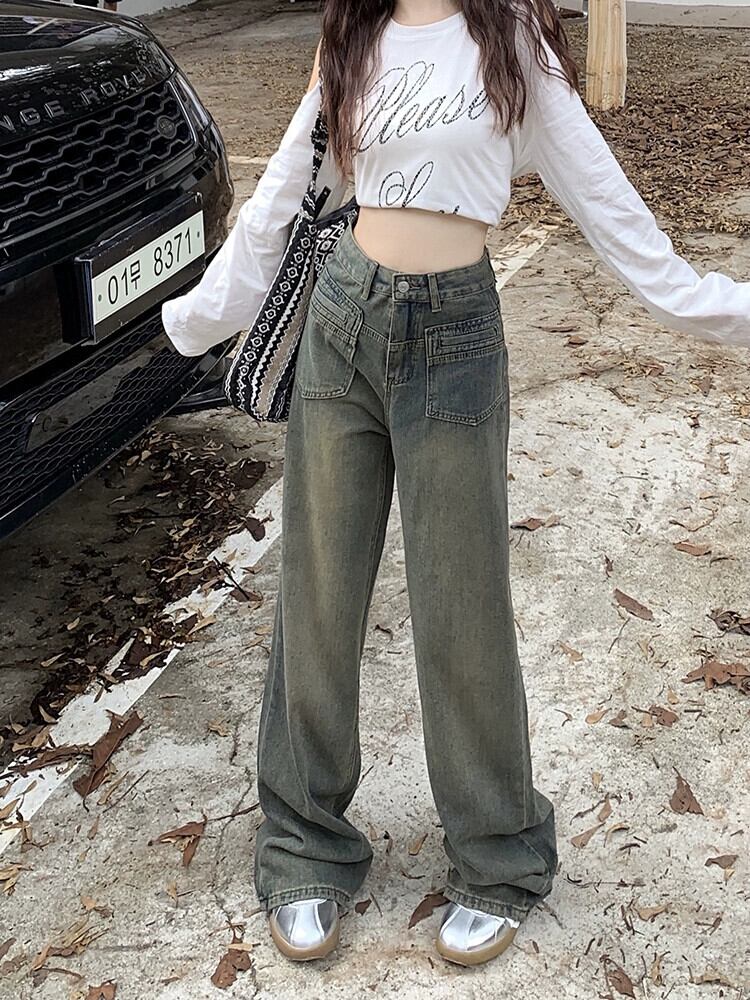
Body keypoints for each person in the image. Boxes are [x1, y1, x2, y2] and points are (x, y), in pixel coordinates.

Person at [162, 0, 749, 968]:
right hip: (342, 322)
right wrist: (191, 320)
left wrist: (722, 307)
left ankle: (498, 856)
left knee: (462, 605)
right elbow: (283, 195)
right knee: (318, 594)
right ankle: (304, 844)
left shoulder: (512, 42)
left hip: (455, 338)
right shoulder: (352, 31)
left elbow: (618, 219)